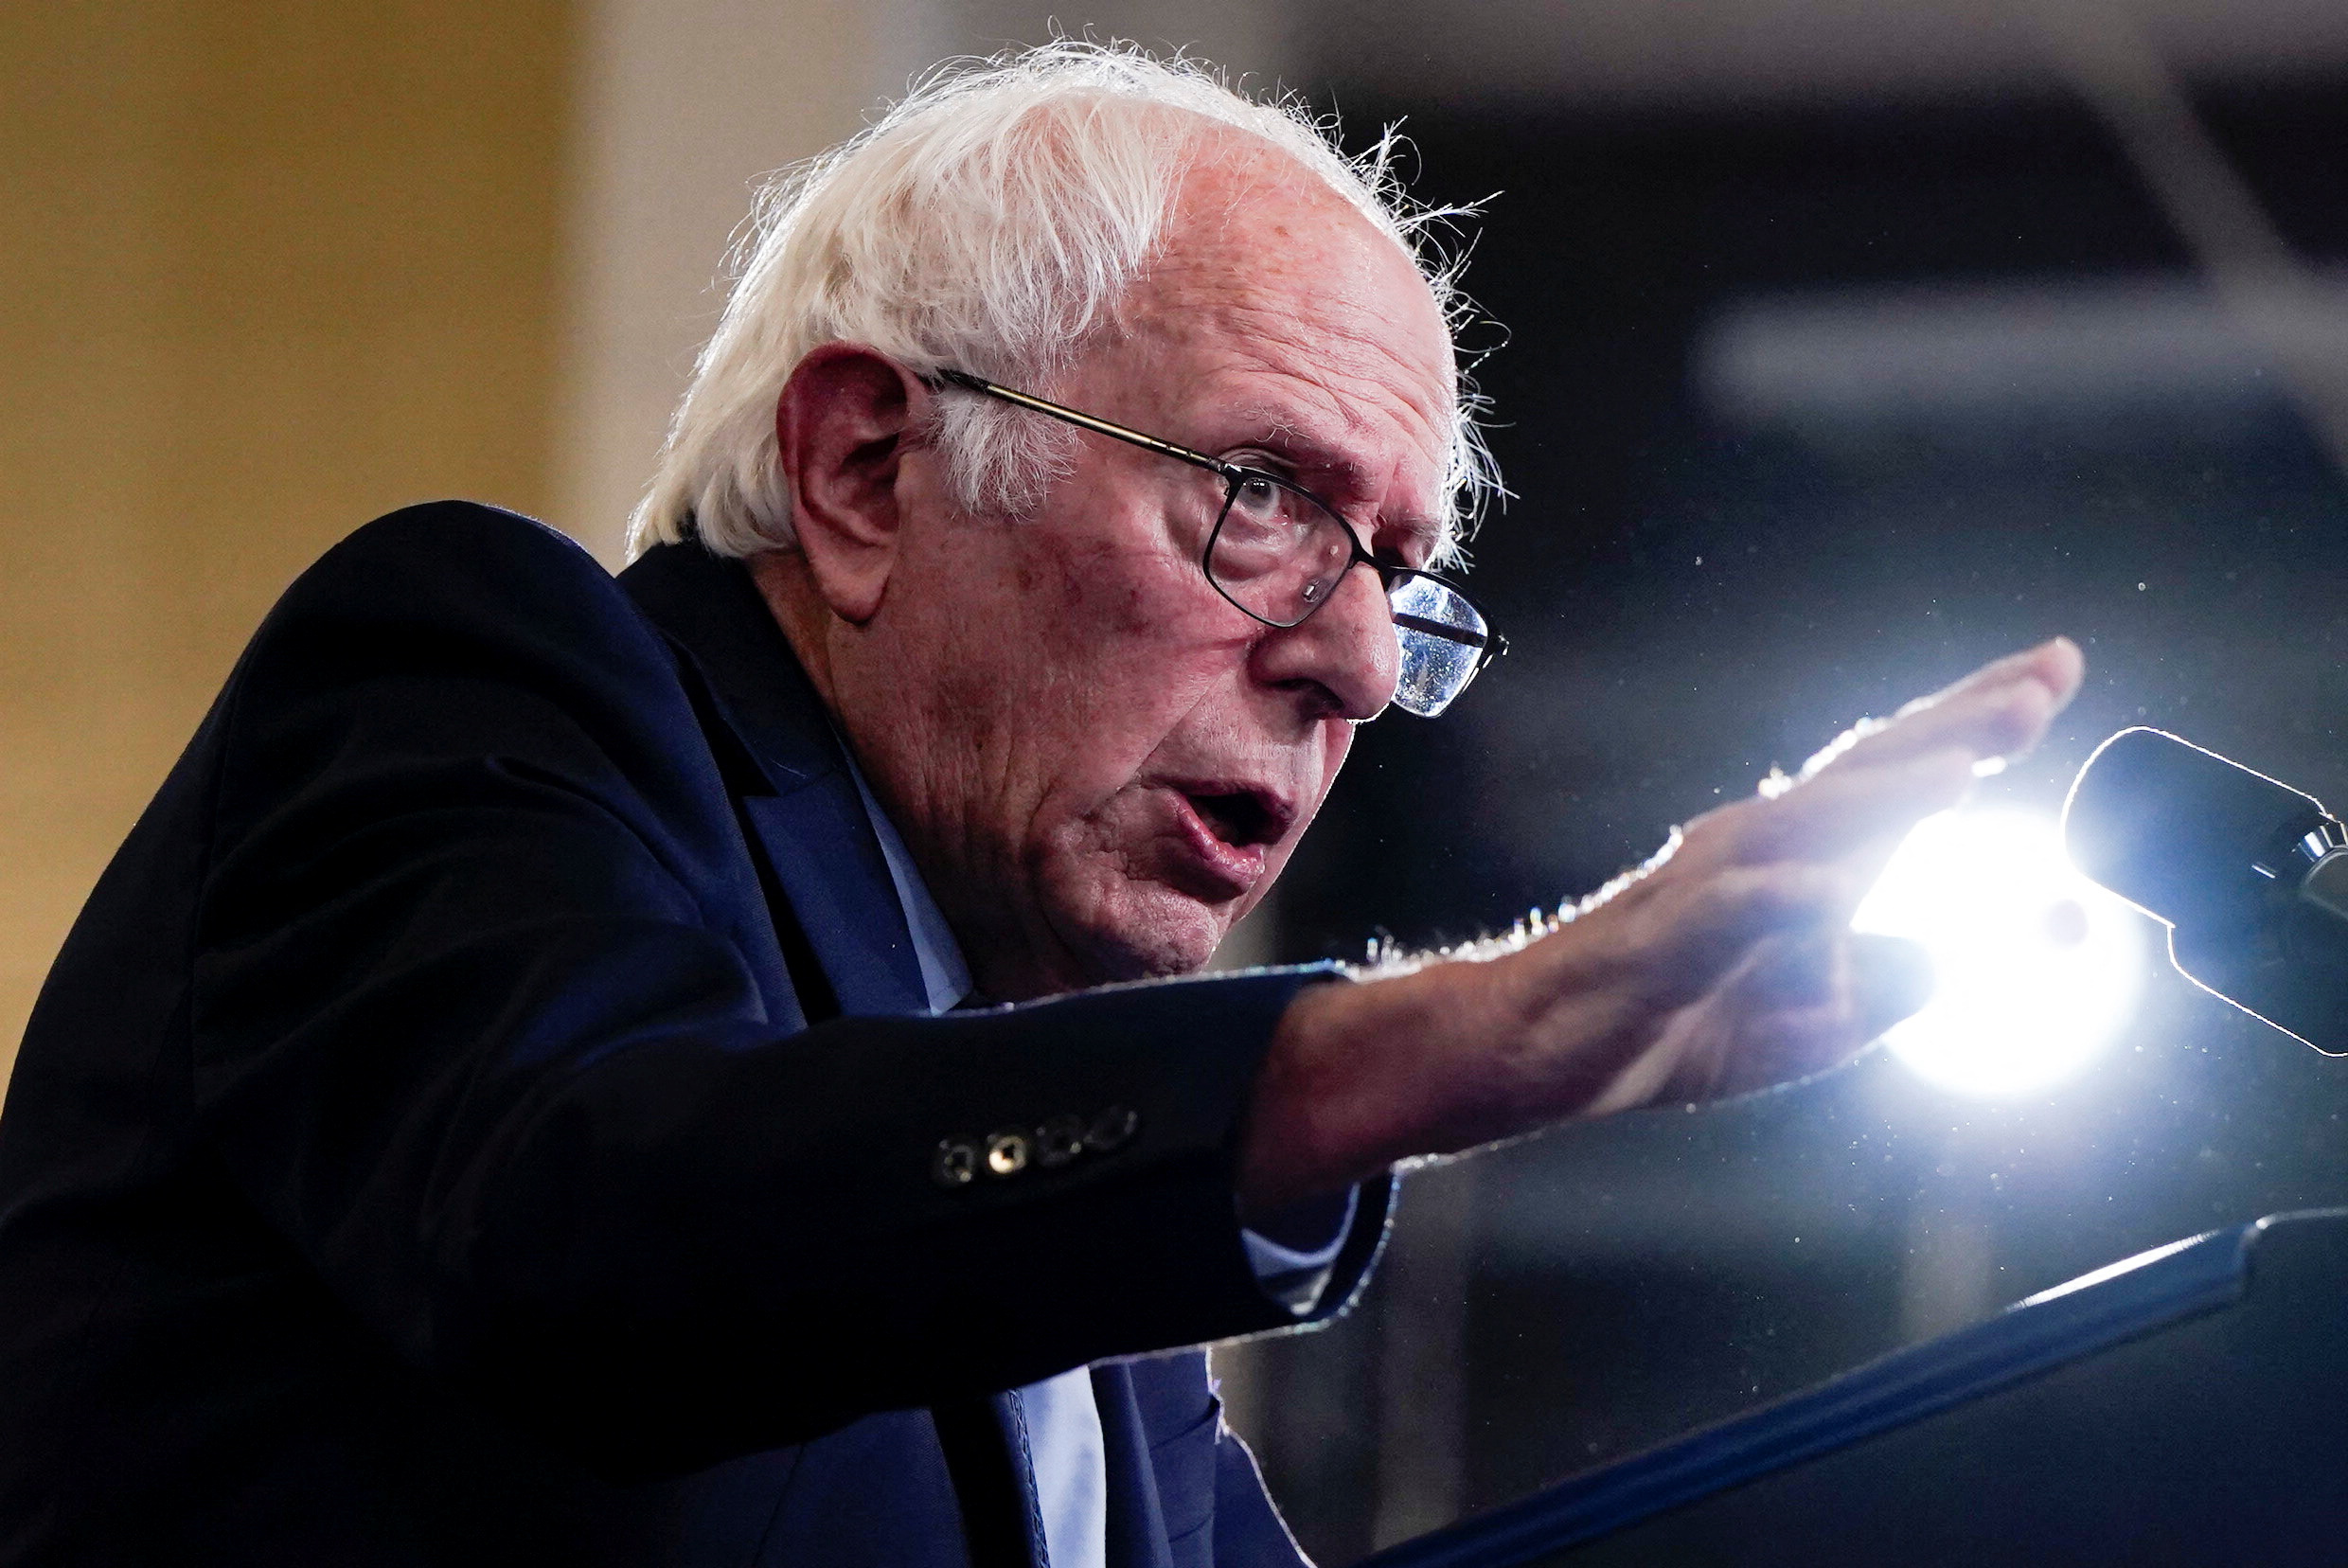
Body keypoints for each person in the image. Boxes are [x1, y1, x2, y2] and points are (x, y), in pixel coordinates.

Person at [0, 43, 2082, 1568]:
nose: (1358, 667)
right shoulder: (481, 673)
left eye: (1399, 578)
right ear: (864, 477)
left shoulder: (1086, 1282)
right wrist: (1424, 1044)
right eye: (1263, 502)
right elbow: (590, 1233)